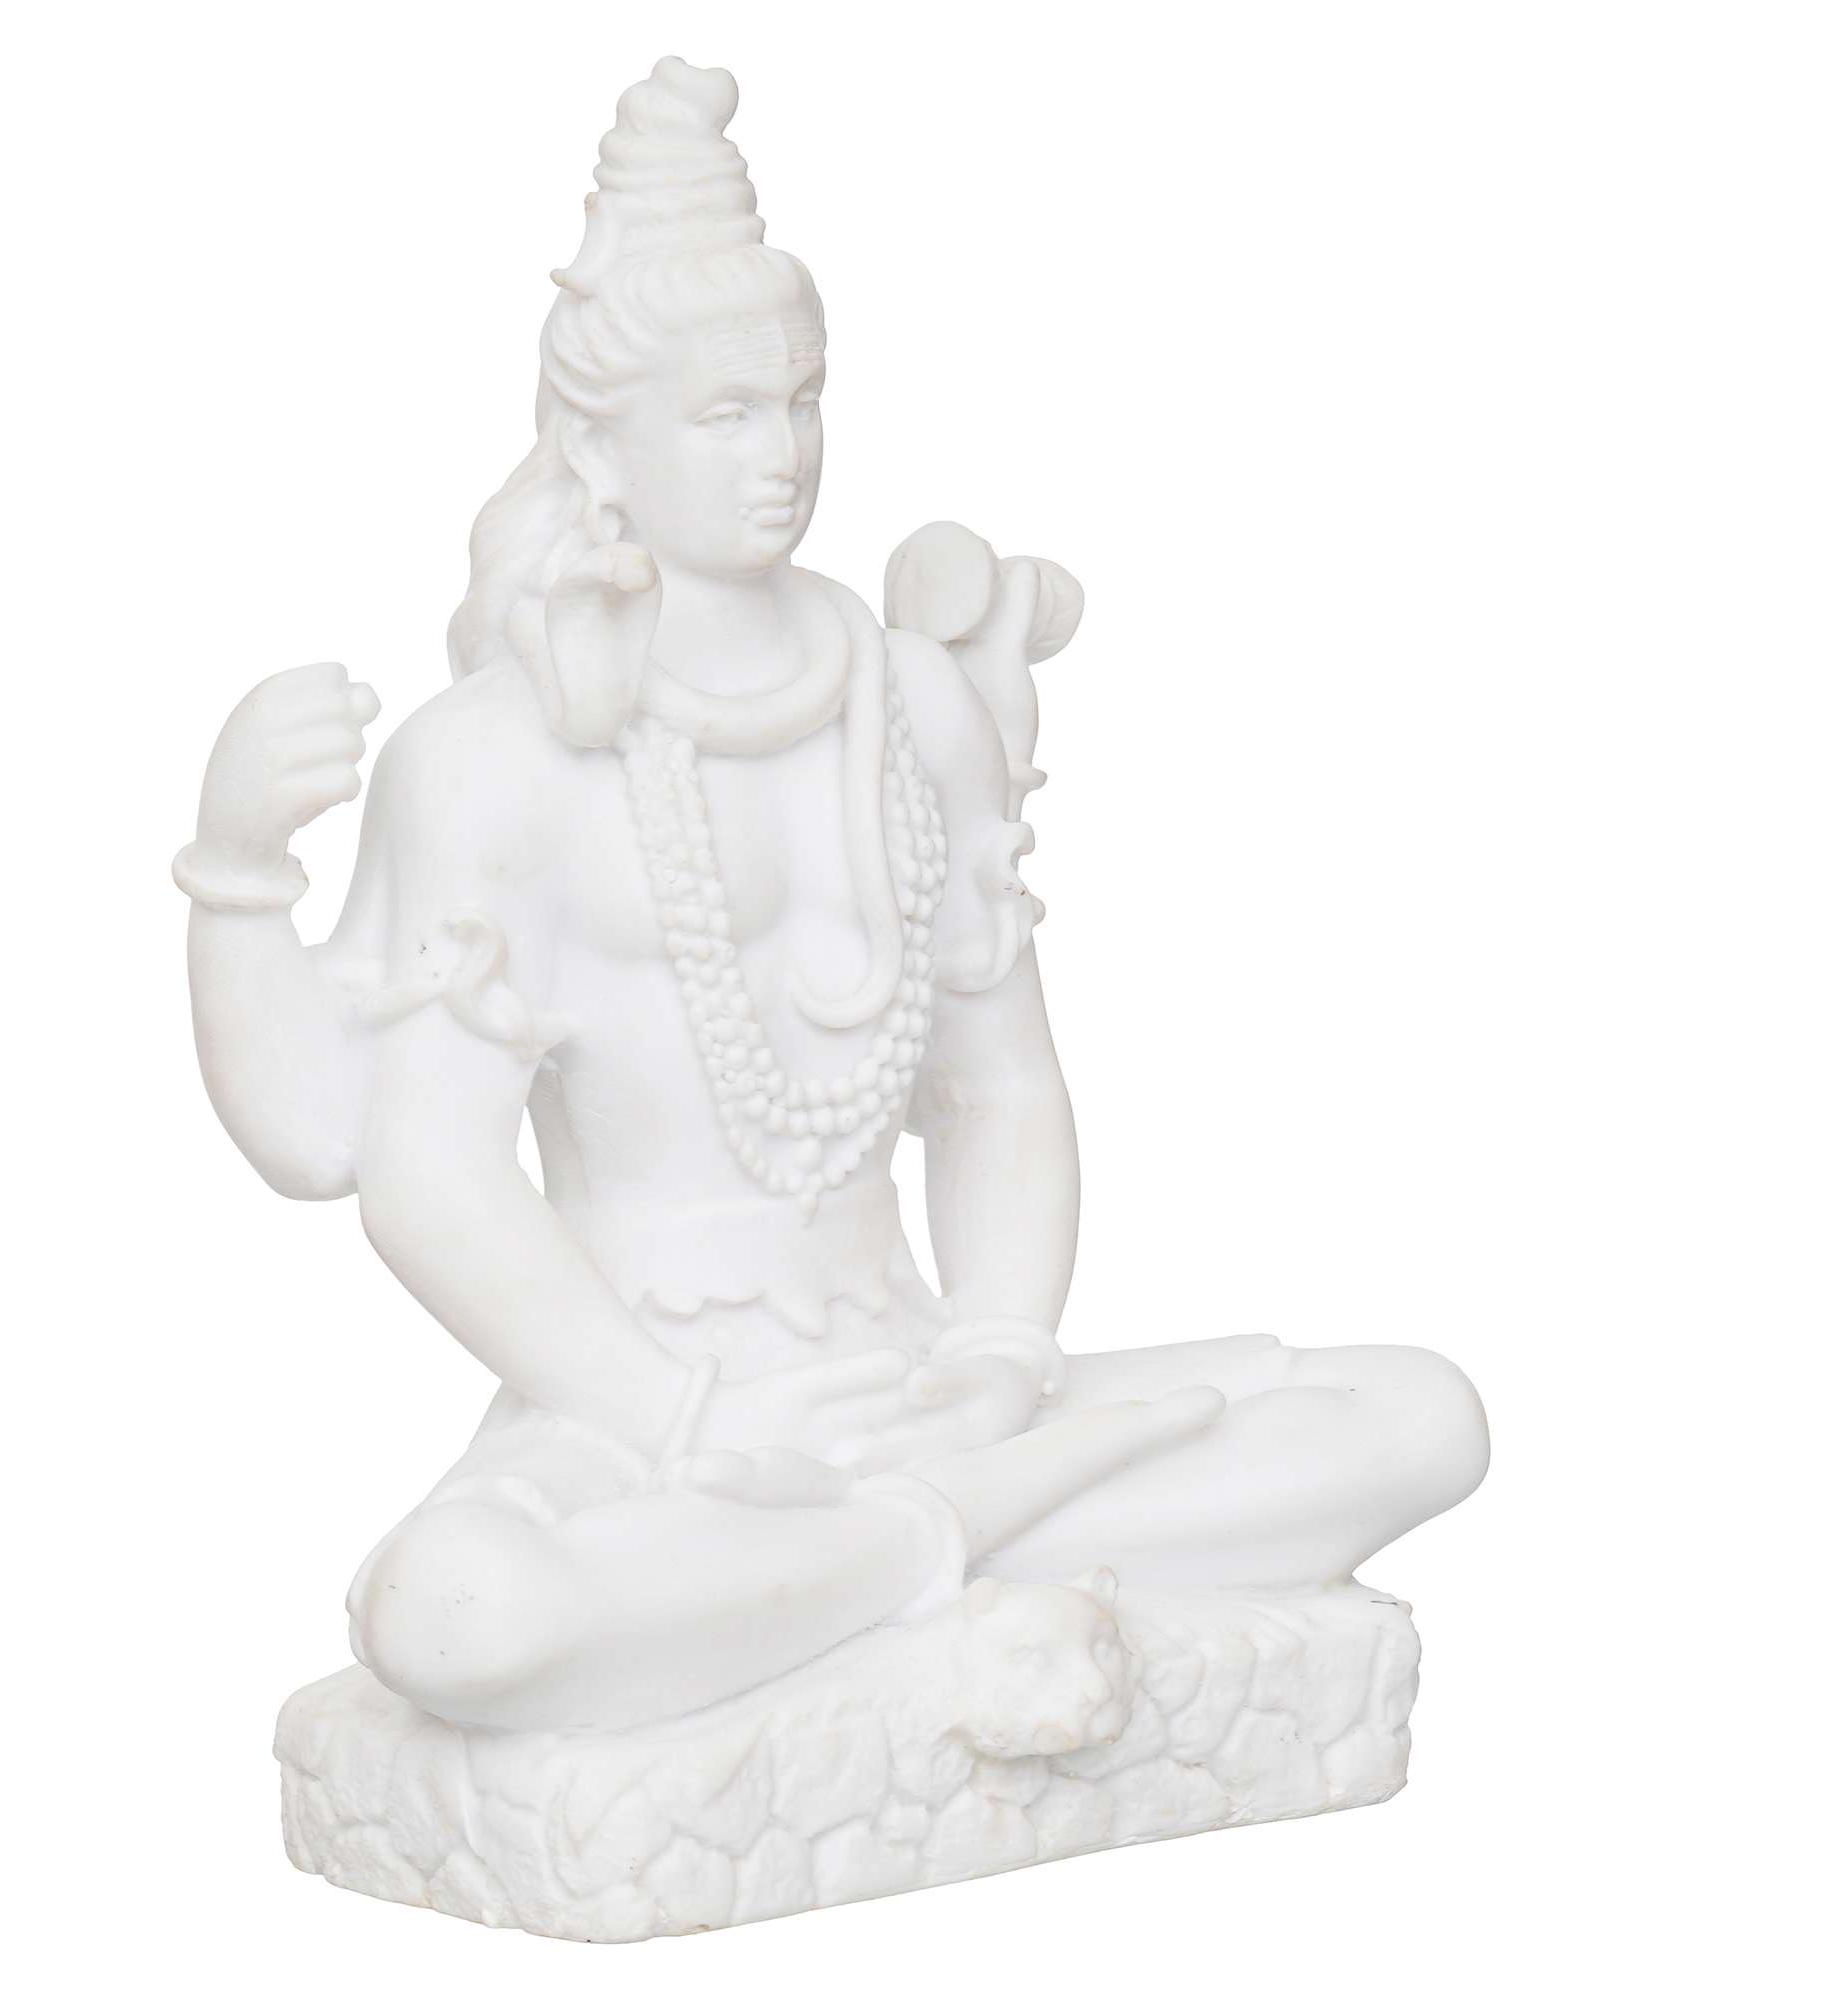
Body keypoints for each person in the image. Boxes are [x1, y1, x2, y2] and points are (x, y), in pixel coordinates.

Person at [175, 58, 1487, 1735]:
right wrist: (685, 1423)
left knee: (1420, 1418)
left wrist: (1000, 1355)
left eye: (803, 400)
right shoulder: (499, 759)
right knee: (461, 1610)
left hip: (918, 1371)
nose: (782, 453)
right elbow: (427, 1178)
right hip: (645, 1419)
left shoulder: (910, 704)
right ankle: (948, 1555)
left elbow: (1000, 1090)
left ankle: (872, 1564)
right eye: (726, 414)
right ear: (600, 441)